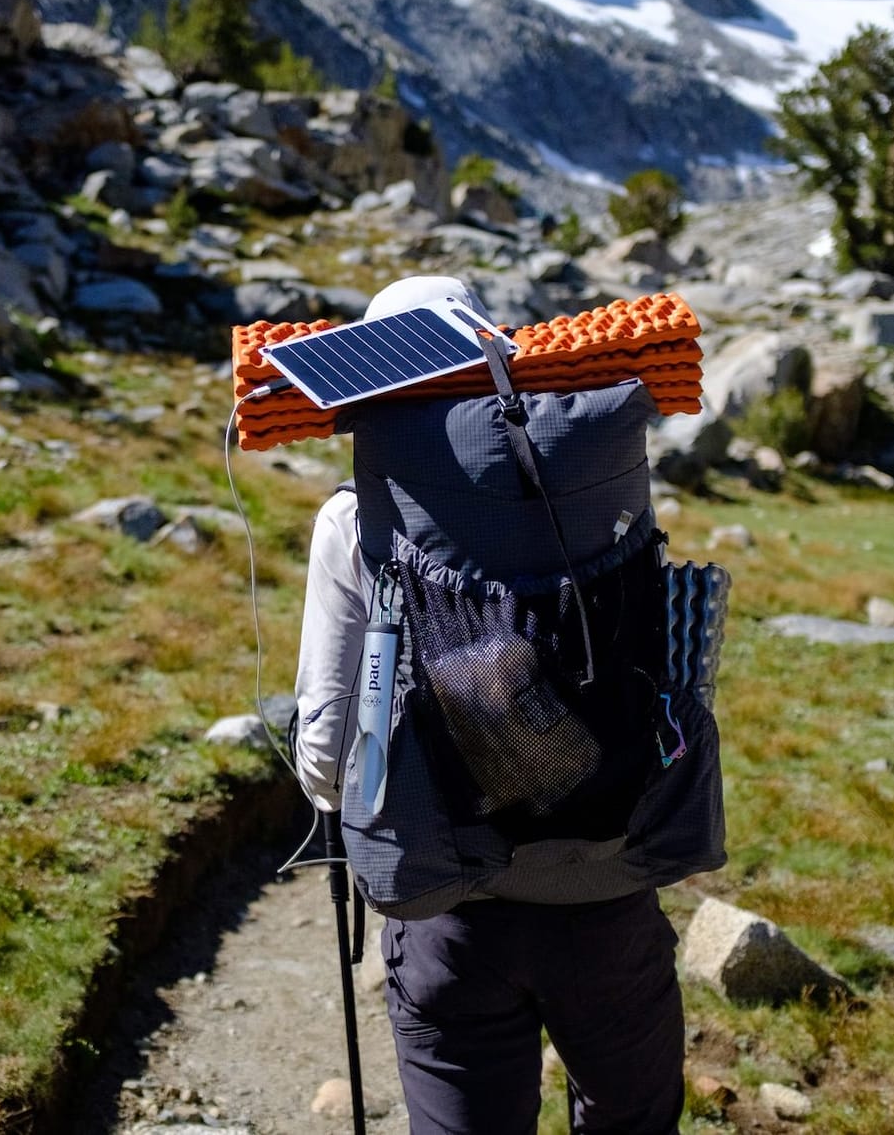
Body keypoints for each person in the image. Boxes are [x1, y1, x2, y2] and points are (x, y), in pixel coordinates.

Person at [292, 276, 688, 1134]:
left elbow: (329, 755)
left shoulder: (353, 518)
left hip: (450, 915)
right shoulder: (587, 490)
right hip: (608, 891)